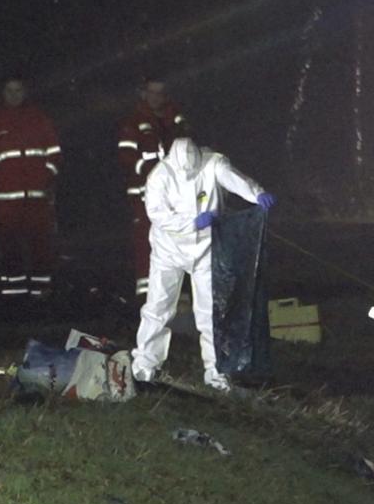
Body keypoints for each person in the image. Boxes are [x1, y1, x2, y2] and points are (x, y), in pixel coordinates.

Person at [131, 137, 275, 392]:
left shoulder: (213, 163)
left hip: (206, 250)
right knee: (158, 306)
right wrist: (192, 222)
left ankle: (216, 370)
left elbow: (234, 178)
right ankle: (145, 364)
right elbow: (157, 214)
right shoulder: (160, 176)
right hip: (168, 251)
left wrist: (256, 193)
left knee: (210, 312)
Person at [0, 76, 61, 300]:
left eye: (18, 90)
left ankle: (41, 292)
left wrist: (45, 177)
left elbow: (54, 152)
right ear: (2, 93)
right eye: (9, 90)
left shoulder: (38, 118)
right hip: (5, 199)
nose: (14, 95)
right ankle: (14, 294)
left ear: (25, 91)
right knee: (9, 245)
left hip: (37, 196)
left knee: (40, 243)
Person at [117, 76, 188, 297]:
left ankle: (177, 290)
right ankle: (146, 293)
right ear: (143, 93)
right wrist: (152, 173)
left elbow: (188, 150)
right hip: (144, 194)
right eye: (152, 92)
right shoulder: (133, 121)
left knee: (178, 239)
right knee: (145, 241)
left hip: (176, 194)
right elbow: (127, 156)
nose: (156, 98)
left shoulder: (176, 119)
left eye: (160, 93)